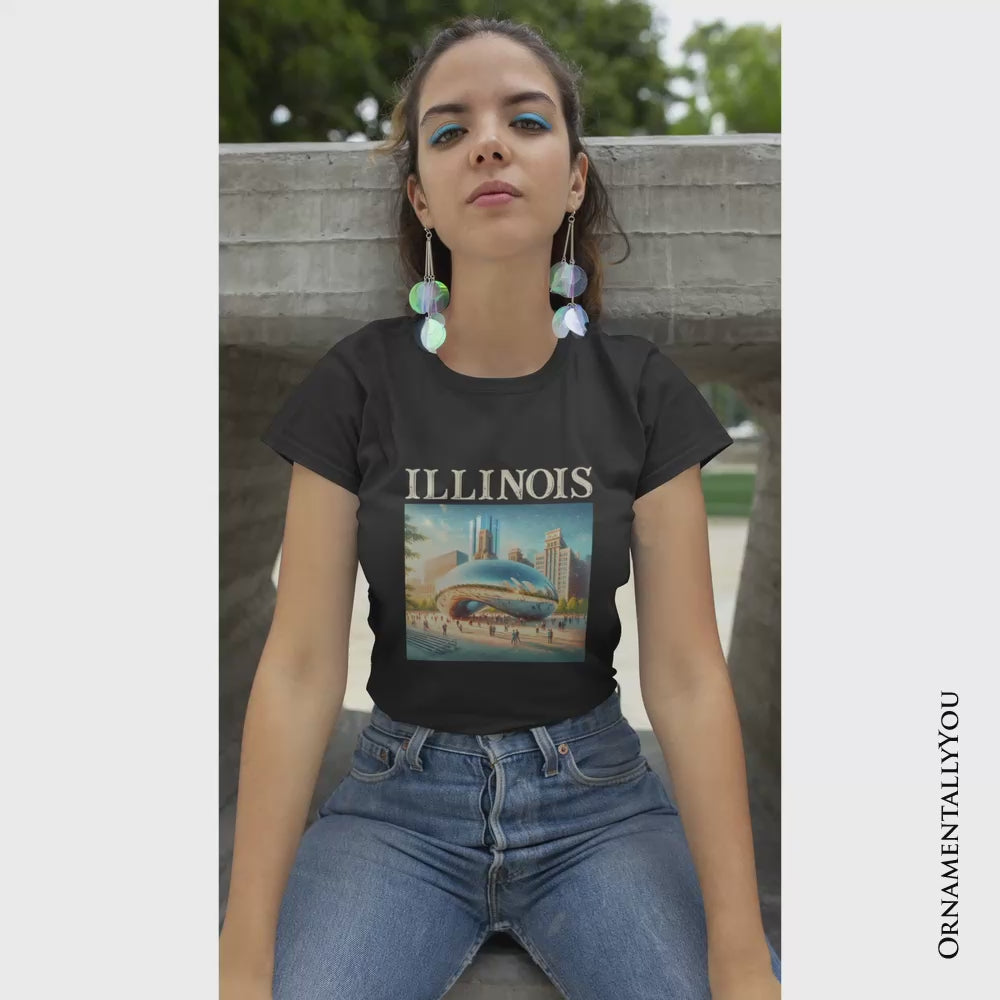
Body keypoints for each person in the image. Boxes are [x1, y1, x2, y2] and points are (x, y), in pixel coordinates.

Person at [219, 14, 781, 1000]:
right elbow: (302, 667)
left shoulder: (642, 392)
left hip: (598, 805)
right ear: (420, 199)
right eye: (448, 130)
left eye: (525, 121)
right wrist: (240, 948)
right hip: (396, 811)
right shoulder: (356, 385)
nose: (487, 141)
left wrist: (739, 948)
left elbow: (689, 679)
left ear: (572, 178)